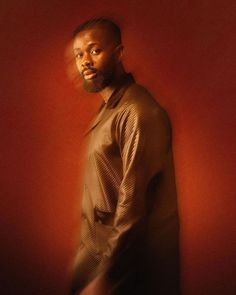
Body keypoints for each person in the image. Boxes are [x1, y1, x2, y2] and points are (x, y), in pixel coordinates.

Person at [69, 18, 180, 295]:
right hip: (98, 256)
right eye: (79, 54)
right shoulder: (108, 109)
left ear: (119, 53)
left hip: (129, 270)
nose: (85, 61)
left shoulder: (137, 112)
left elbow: (132, 206)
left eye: (94, 51)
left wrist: (107, 277)